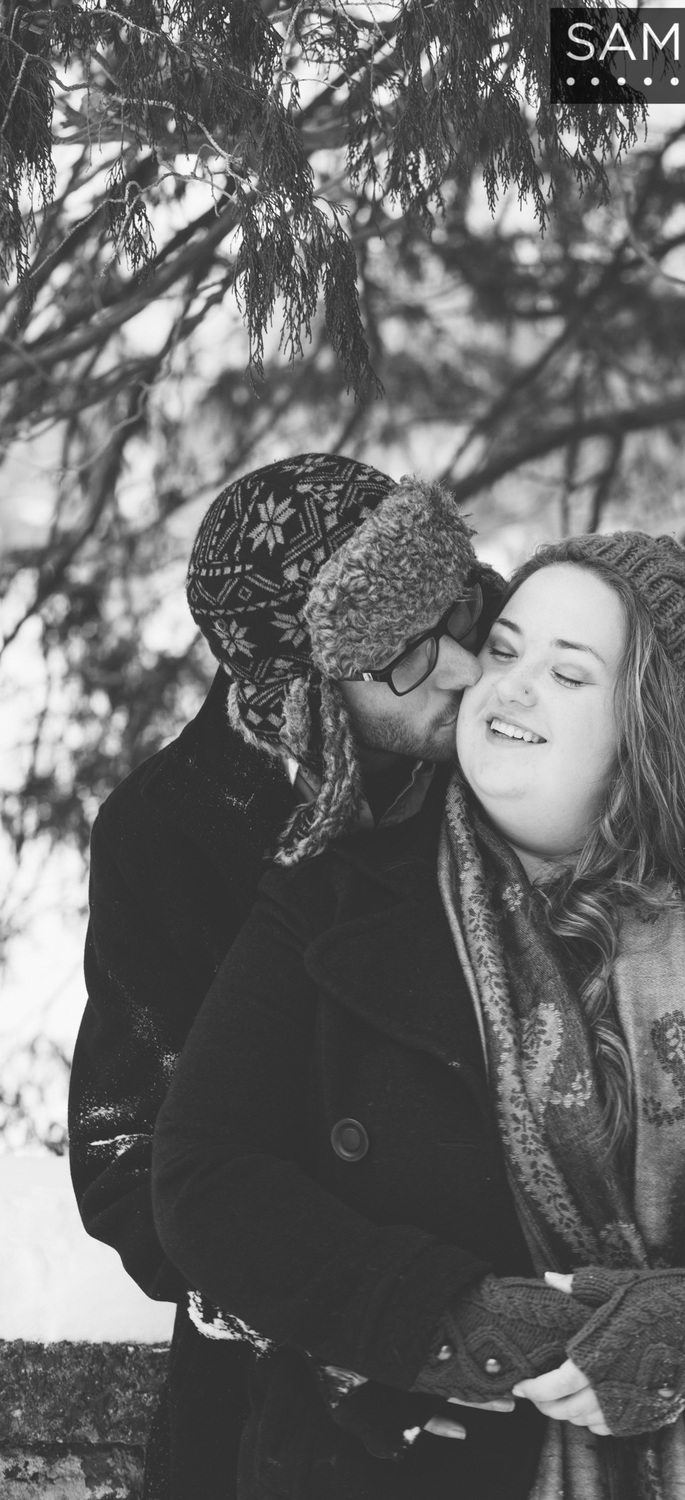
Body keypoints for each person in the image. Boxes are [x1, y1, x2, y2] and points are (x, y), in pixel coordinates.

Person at [151, 531, 685, 1500]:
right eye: (507, 648)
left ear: (648, 728)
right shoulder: (327, 907)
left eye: (567, 674)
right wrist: (444, 1322)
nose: (508, 686)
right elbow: (204, 1174)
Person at [68, 452, 503, 1499]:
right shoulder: (170, 830)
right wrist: (337, 1315)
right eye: (400, 655)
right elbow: (129, 1151)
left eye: (461, 613)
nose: (457, 667)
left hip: (526, 1356)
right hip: (296, 1399)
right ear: (304, 685)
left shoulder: (507, 761)